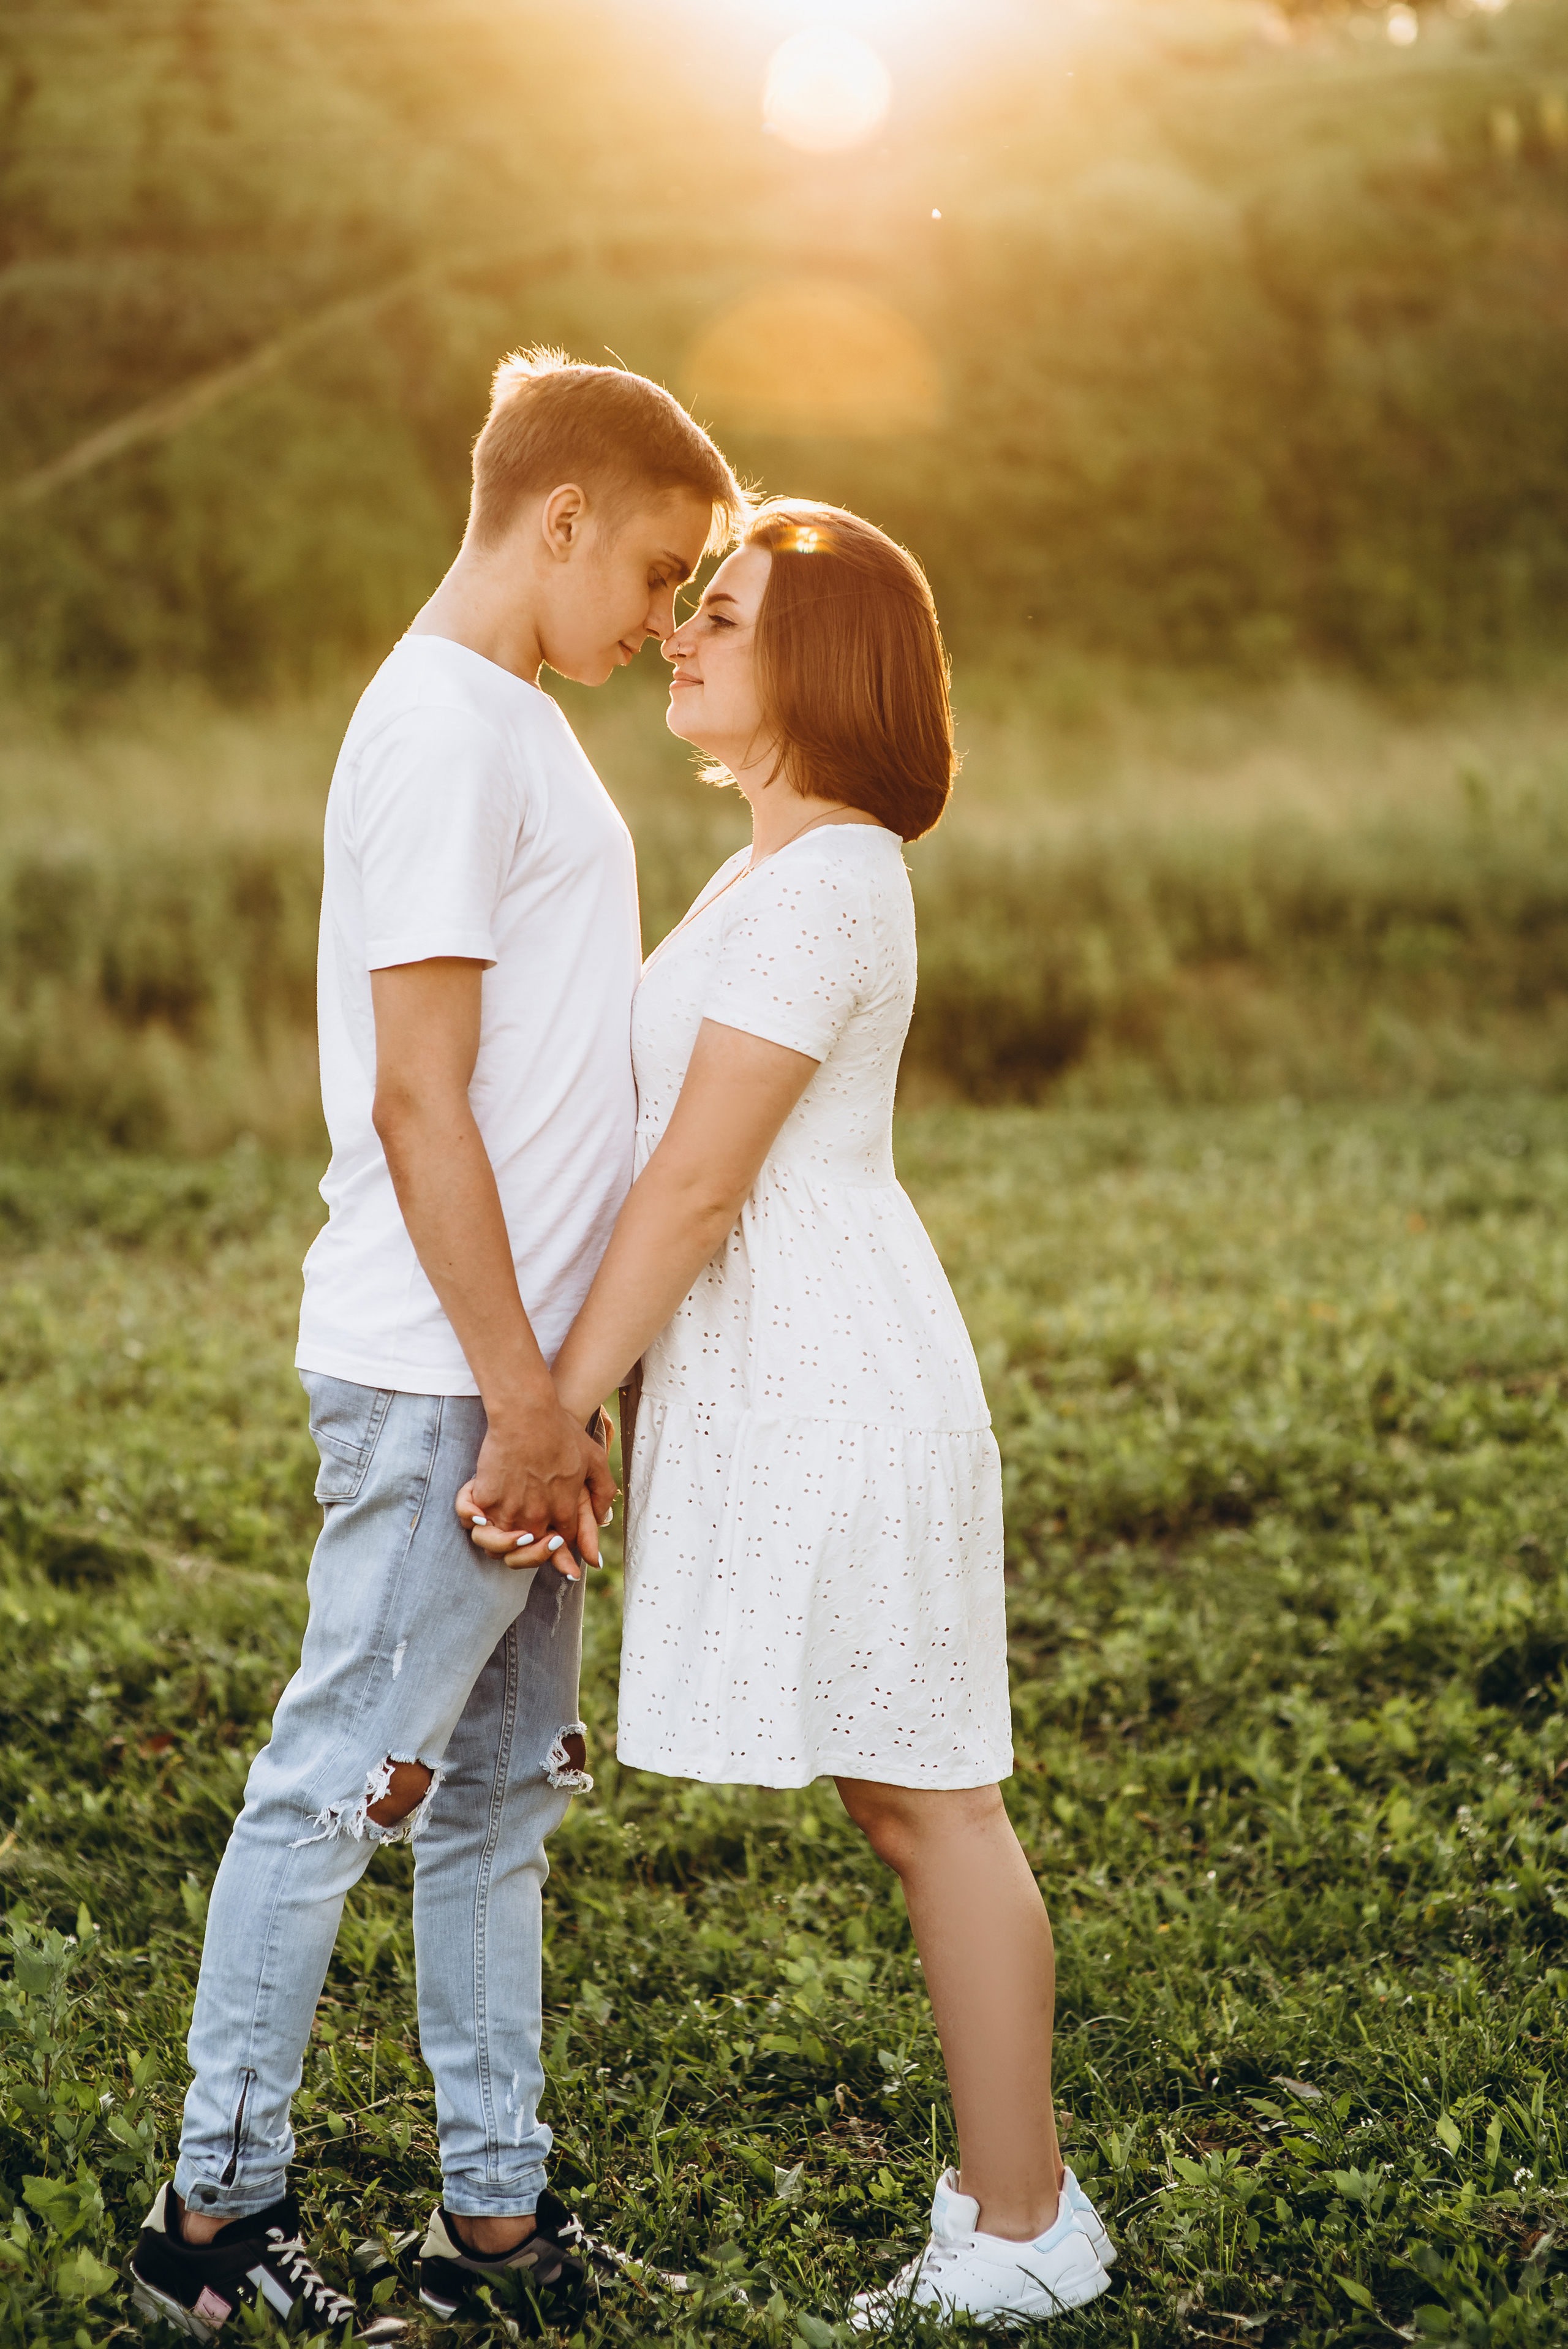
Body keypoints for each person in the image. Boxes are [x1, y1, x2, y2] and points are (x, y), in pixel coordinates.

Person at [130, 350, 744, 2342]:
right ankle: (210, 2229)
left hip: (520, 1387)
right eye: (656, 570)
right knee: (330, 1787)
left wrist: (567, 1386)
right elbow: (420, 1099)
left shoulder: (507, 723)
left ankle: (494, 2230)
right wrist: (519, 1395)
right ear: (559, 516)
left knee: (496, 1809)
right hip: (446, 1384)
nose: (660, 622)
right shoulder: (441, 731)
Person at [461, 501, 1116, 2325]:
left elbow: (694, 1187)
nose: (679, 634)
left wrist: (555, 1411)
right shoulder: (772, 865)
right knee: (908, 1795)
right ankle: (1011, 2196)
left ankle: (1025, 2221)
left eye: (722, 614)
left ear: (818, 661)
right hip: (785, 1375)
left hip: (844, 1377)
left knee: (935, 1803)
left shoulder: (831, 878)